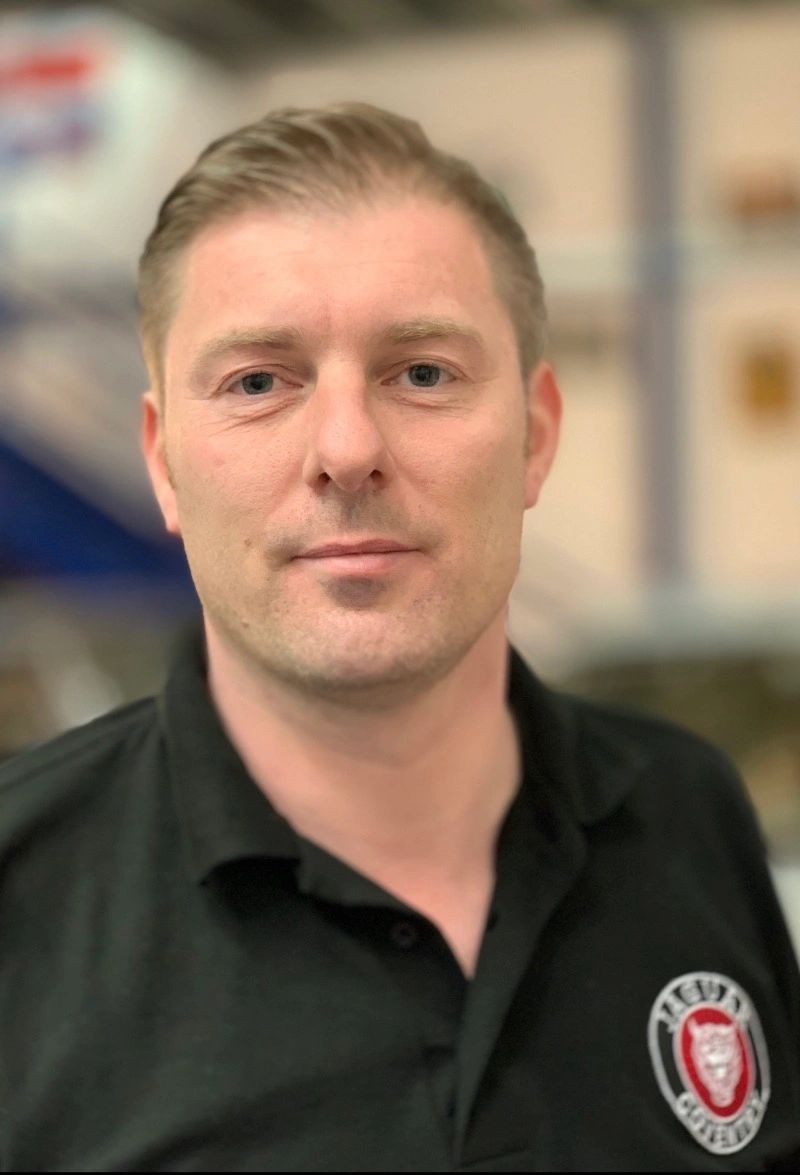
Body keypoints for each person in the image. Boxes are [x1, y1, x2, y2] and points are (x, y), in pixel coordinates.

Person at [2, 104, 799, 1173]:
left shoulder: (684, 812)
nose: (346, 447)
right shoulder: (22, 895)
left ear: (535, 434)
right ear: (162, 462)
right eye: (257, 382)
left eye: (421, 372)